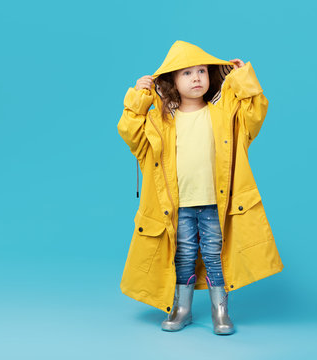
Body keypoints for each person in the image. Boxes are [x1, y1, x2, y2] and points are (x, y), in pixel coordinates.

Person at [117, 40, 284, 335]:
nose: (196, 78)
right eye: (187, 73)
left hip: (215, 203)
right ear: (170, 82)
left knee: (214, 254)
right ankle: (182, 308)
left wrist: (244, 78)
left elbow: (255, 113)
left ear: (211, 76)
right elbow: (130, 133)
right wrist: (139, 97)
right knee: (183, 255)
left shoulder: (224, 115)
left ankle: (220, 311)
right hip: (178, 206)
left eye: (202, 71)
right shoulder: (159, 121)